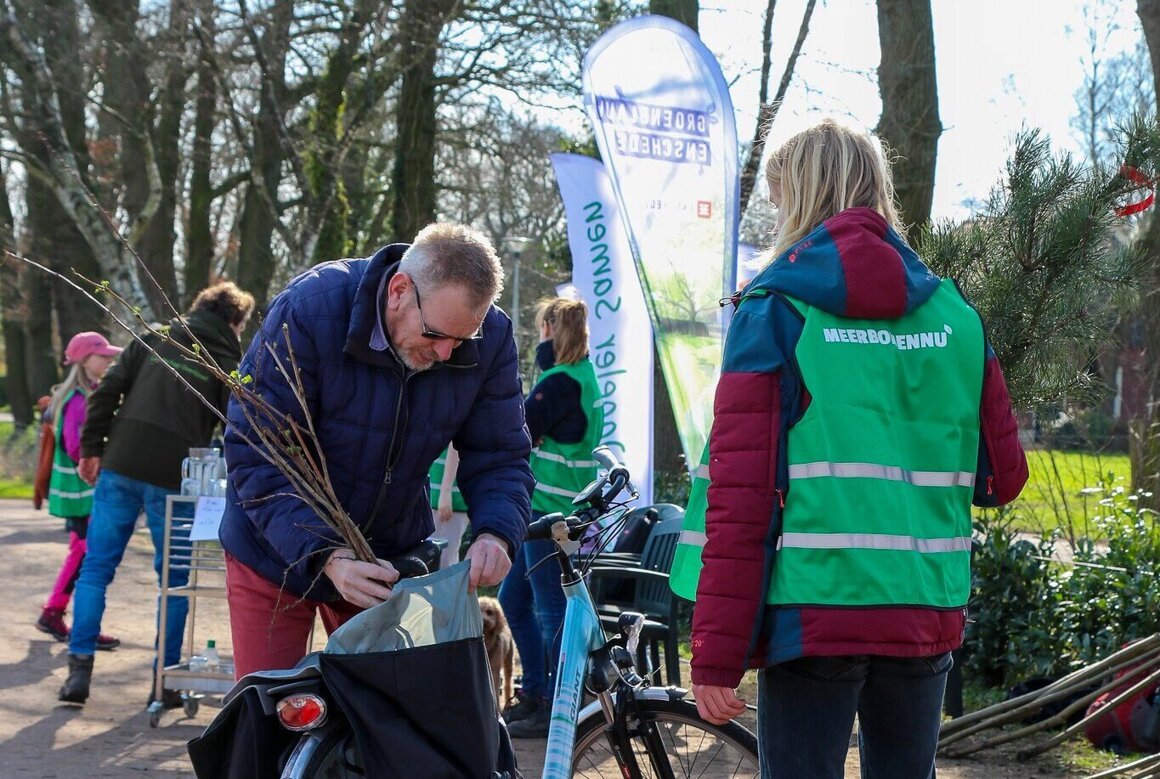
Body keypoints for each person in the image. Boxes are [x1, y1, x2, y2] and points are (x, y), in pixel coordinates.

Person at [690, 120, 1029, 778]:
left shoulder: (775, 313)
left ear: (802, 198)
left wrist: (716, 654)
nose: (779, 218)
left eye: (780, 201)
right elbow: (1003, 479)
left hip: (816, 610)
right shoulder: (957, 316)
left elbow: (741, 501)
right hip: (924, 608)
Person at [219, 222, 534, 679]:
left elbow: (500, 454)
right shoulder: (309, 310)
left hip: (385, 559)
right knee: (270, 707)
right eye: (435, 334)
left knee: (384, 709)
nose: (448, 354)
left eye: (462, 340)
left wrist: (496, 533)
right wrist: (326, 555)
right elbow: (257, 451)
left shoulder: (491, 337)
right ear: (399, 291)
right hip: (273, 551)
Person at [59, 282, 256, 705]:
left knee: (96, 569)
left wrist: (92, 449)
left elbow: (106, 392)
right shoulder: (225, 363)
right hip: (176, 478)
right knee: (175, 581)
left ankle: (78, 670)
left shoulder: (153, 338)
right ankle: (163, 682)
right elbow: (237, 428)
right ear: (234, 322)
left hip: (121, 464)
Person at [500, 297, 604, 739]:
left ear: (550, 329)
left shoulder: (559, 380)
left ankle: (554, 703)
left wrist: (541, 369)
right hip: (557, 507)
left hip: (549, 509)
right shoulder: (583, 375)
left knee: (548, 609)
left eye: (542, 329)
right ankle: (537, 693)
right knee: (515, 600)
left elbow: (518, 426)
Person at [35, 332, 122, 651]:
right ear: (85, 360)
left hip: (82, 490)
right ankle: (59, 615)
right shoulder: (77, 399)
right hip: (81, 490)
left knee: (82, 552)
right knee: (86, 554)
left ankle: (57, 613)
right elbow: (75, 447)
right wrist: (101, 464)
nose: (110, 361)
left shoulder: (90, 394)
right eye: (104, 356)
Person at [428, 443, 470, 572]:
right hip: (435, 493)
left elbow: (455, 445)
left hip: (447, 498)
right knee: (435, 560)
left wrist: (445, 491)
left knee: (443, 563)